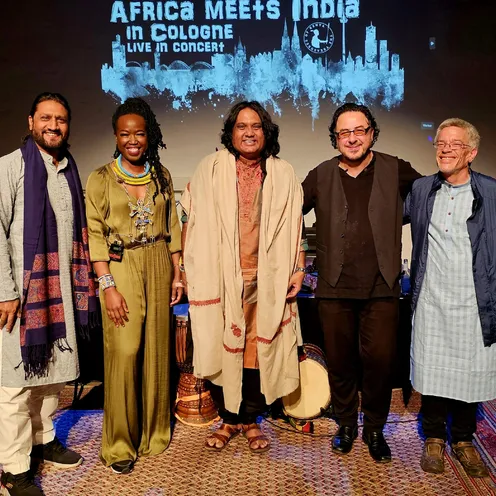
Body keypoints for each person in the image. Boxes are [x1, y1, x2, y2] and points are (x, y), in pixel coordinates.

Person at [180, 101, 305, 453]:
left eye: (256, 126)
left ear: (266, 132)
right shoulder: (210, 168)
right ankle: (228, 418)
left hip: (267, 279)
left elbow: (297, 227)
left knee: (255, 350)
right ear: (231, 132)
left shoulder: (283, 173)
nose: (249, 132)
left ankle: (250, 418)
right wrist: (185, 270)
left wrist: (298, 268)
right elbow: (189, 219)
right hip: (219, 278)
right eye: (241, 126)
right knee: (222, 347)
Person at [302, 102, 422, 463]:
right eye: (344, 132)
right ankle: (345, 425)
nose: (352, 138)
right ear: (335, 138)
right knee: (340, 362)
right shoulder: (320, 174)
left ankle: (373, 428)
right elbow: (286, 213)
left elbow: (428, 199)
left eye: (359, 131)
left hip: (382, 287)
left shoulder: (396, 169)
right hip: (334, 287)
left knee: (380, 363)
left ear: (371, 134)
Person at [0, 92, 97, 496]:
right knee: (14, 386)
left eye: (60, 119)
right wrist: (6, 292)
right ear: (30, 122)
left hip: (60, 296)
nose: (53, 125)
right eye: (45, 118)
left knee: (50, 379)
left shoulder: (69, 169)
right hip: (21, 299)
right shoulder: (10, 166)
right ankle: (14, 469)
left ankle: (43, 440)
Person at [85, 98, 183, 474]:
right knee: (124, 351)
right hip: (120, 264)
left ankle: (153, 433)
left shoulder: (162, 175)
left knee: (157, 350)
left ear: (149, 135)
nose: (132, 140)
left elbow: (172, 227)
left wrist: (178, 272)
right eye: (125, 134)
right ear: (115, 136)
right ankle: (119, 444)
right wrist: (107, 286)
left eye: (139, 133)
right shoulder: (100, 178)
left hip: (158, 261)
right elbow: (95, 236)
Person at [405, 118, 495, 478]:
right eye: (440, 143)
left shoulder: (490, 192)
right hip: (432, 299)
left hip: (474, 302)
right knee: (433, 372)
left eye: (454, 144)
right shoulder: (422, 189)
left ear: (471, 153)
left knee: (470, 373)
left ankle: (462, 438)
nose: (444, 149)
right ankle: (433, 437)